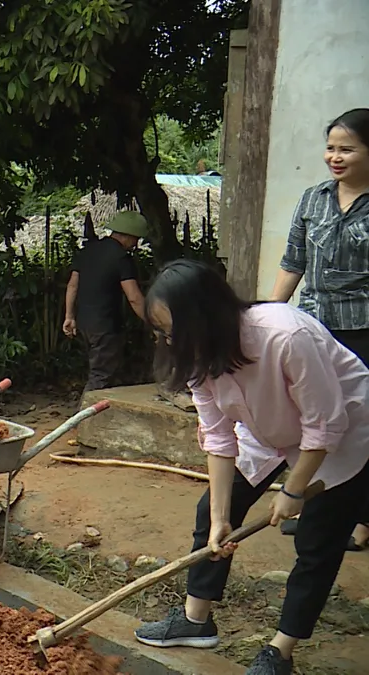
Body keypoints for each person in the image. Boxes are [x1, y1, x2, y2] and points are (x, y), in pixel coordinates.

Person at [134, 259, 369, 675]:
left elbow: (323, 424)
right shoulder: (196, 357)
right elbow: (219, 437)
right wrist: (222, 520)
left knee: (317, 541)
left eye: (173, 331)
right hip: (267, 429)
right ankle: (196, 619)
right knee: (211, 512)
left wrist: (294, 492)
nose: (168, 342)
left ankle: (280, 652)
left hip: (342, 433)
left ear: (205, 318)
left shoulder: (284, 335)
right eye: (162, 333)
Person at [268, 108, 369, 551]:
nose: (335, 157)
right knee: (318, 421)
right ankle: (315, 507)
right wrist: (270, 315)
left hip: (364, 329)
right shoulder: (313, 199)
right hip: (314, 329)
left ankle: (360, 522)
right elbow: (293, 262)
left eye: (347, 148)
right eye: (331, 148)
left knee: (361, 425)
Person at [62, 211, 149, 394]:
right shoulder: (122, 258)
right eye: (136, 239)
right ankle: (82, 418)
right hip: (106, 326)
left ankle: (98, 415)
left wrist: (69, 316)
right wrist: (153, 321)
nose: (135, 244)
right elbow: (133, 297)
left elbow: (72, 286)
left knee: (103, 371)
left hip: (84, 323)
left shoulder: (88, 251)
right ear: (127, 235)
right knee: (100, 377)